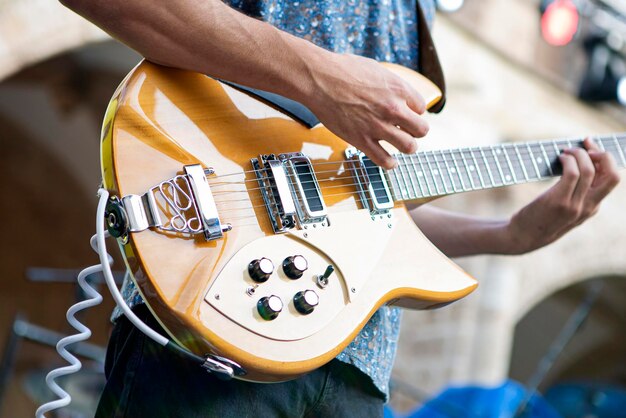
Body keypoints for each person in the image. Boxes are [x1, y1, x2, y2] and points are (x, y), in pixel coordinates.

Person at [59, 0, 621, 417]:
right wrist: (317, 76)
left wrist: (508, 235)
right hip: (214, 336)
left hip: (357, 378)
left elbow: (351, 202)